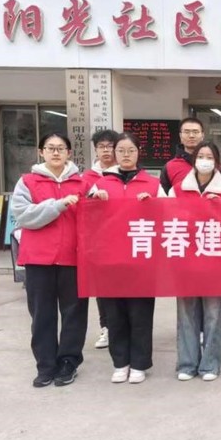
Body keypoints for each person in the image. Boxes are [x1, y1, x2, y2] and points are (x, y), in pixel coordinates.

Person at [11, 133, 88, 388]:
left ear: (69, 153)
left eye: (61, 148)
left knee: (74, 314)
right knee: (41, 315)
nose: (56, 152)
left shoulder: (82, 183)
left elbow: (98, 213)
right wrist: (58, 205)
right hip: (38, 260)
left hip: (73, 258)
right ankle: (45, 366)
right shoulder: (27, 181)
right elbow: (24, 216)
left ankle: (68, 362)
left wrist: (99, 197)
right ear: (41, 151)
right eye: (50, 148)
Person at [90, 132, 166, 384]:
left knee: (140, 314)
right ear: (114, 153)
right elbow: (87, 219)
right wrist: (94, 201)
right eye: (120, 150)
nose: (125, 155)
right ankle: (120, 362)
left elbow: (169, 217)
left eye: (130, 150)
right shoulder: (101, 183)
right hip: (109, 261)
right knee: (115, 315)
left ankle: (140, 364)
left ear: (138, 152)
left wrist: (154, 205)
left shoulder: (152, 184)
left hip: (141, 261)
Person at [169, 141, 221, 381]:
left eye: (210, 156)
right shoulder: (178, 189)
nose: (205, 160)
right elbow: (166, 219)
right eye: (201, 156)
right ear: (194, 160)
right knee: (186, 315)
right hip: (185, 262)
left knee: (213, 315)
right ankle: (187, 364)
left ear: (217, 162)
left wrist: (219, 208)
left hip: (215, 264)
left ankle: (210, 364)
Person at [81, 129, 120, 350]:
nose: (106, 150)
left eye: (110, 146)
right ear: (95, 150)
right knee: (102, 287)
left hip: (123, 238)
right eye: (101, 146)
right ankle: (106, 327)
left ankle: (122, 327)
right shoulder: (87, 178)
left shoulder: (126, 173)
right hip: (98, 241)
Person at [160, 117, 205, 194]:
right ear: (180, 136)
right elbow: (162, 197)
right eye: (187, 132)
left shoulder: (213, 164)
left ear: (202, 135)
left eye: (195, 132)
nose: (191, 135)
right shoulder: (170, 166)